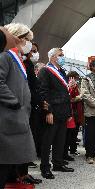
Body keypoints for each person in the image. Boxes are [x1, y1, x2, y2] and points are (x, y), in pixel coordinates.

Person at [0, 23, 37, 188]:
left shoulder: (17, 59)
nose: (29, 44)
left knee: (10, 160)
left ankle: (14, 179)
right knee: (4, 161)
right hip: (8, 116)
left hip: (16, 117)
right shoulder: (6, 57)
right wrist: (14, 102)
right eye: (27, 40)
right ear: (18, 38)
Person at [38, 48, 74, 179]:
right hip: (52, 111)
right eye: (61, 55)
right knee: (48, 141)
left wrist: (69, 112)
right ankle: (45, 167)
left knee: (60, 140)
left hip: (63, 111)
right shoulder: (45, 71)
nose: (63, 57)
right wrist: (48, 111)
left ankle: (58, 163)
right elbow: (43, 92)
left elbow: (66, 94)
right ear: (53, 57)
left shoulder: (62, 72)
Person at [64, 71, 84, 160]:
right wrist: (78, 97)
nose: (76, 80)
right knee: (69, 133)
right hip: (71, 112)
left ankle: (73, 149)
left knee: (75, 132)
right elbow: (70, 99)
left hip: (78, 112)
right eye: (75, 78)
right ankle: (66, 151)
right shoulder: (68, 86)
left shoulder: (77, 86)